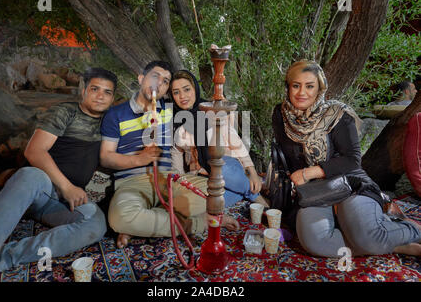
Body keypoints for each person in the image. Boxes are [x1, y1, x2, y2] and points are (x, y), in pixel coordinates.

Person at [0, 67, 117, 281]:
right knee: (32, 174)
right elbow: (34, 150)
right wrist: (67, 187)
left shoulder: (110, 123)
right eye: (95, 89)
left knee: (96, 224)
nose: (100, 96)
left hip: (59, 205)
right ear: (84, 89)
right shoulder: (65, 112)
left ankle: (2, 258)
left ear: (113, 98)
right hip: (39, 190)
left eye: (107, 92)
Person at [271, 60, 421, 257]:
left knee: (368, 238)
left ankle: (411, 230)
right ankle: (391, 245)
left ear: (320, 88)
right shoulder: (282, 115)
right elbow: (285, 158)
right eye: (296, 85)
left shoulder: (338, 115)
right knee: (315, 242)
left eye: (309, 86)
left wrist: (310, 172)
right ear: (288, 87)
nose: (302, 93)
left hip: (349, 184)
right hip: (313, 191)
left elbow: (352, 160)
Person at [100, 61, 239, 249]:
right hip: (131, 183)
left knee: (215, 193)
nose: (160, 84)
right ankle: (199, 223)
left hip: (170, 180)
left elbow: (194, 103)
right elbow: (106, 156)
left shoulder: (169, 108)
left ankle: (144, 222)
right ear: (141, 79)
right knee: (119, 217)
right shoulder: (116, 114)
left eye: (165, 81)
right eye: (155, 77)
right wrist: (139, 159)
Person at [169, 69, 267, 208]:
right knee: (199, 204)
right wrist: (180, 182)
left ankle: (256, 197)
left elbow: (236, 143)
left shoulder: (212, 112)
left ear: (195, 89)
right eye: (176, 92)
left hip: (226, 165)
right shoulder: (177, 123)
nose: (182, 96)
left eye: (186, 89)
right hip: (202, 176)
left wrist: (252, 172)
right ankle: (242, 192)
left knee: (220, 169)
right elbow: (176, 153)